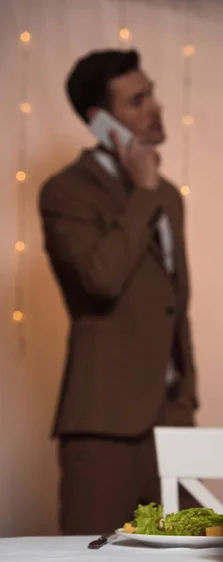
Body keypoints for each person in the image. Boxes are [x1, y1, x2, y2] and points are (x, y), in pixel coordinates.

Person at [39, 49, 198, 535]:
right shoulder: (66, 190)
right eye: (138, 100)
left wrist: (186, 399)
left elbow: (173, 303)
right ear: (99, 119)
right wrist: (143, 192)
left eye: (152, 94)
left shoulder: (168, 194)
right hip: (104, 418)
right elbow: (101, 281)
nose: (156, 108)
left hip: (172, 417)